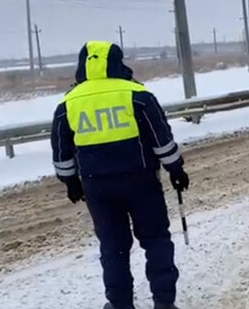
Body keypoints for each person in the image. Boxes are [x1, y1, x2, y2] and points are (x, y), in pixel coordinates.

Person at [50, 41, 189, 309]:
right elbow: (161, 140)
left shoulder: (68, 104)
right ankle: (164, 303)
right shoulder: (138, 95)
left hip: (97, 188)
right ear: (118, 62)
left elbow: (61, 152)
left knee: (113, 248)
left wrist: (71, 183)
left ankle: (119, 304)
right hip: (142, 182)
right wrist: (176, 169)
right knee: (156, 239)